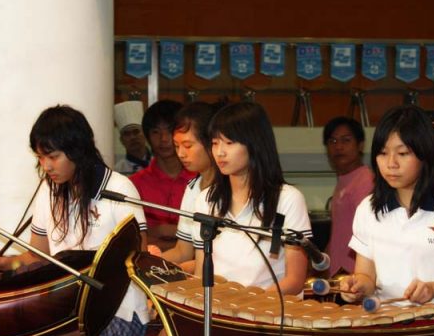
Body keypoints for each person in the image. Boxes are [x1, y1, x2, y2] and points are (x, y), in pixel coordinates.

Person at [0, 105, 149, 336]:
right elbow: (36, 257)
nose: (46, 166)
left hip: (120, 314)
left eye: (53, 156)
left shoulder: (119, 188)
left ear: (77, 150)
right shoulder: (48, 192)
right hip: (64, 309)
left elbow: (140, 258)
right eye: (40, 157)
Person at [341, 105, 434, 309]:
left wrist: (432, 289)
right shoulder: (368, 209)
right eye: (383, 153)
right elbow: (367, 276)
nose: (391, 163)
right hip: (386, 324)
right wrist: (357, 286)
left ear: (424, 154)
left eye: (402, 153)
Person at [192, 101, 311, 295]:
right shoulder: (206, 200)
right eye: (215, 143)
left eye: (229, 143)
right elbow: (200, 274)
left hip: (269, 315)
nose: (220, 152)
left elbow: (295, 280)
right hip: (220, 313)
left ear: (255, 144)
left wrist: (250, 307)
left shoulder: (287, 199)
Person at [154, 101, 217, 273]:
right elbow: (183, 250)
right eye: (176, 146)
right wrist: (148, 262)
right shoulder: (192, 188)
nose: (181, 153)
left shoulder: (230, 190)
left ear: (212, 143)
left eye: (188, 146)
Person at [130, 99, 195, 252]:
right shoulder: (134, 184)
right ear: (147, 137)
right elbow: (133, 239)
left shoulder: (200, 181)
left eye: (170, 130)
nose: (164, 139)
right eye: (156, 132)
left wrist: (159, 233)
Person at [322, 116, 373, 277]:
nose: (339, 147)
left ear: (360, 145)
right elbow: (338, 234)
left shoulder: (366, 181)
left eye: (346, 140)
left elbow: (369, 234)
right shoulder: (344, 180)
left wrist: (354, 272)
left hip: (354, 275)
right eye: (333, 141)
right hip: (338, 273)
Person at [113, 100, 150, 175]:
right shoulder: (117, 171)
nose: (132, 137)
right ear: (121, 140)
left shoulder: (160, 164)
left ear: (145, 134)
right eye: (126, 134)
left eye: (136, 132)